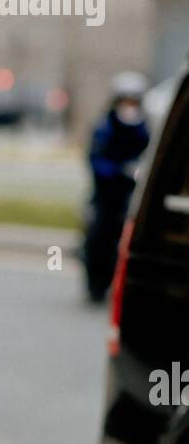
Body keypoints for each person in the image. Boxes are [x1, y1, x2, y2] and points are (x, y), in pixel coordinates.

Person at [82, 72, 150, 303]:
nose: (130, 107)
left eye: (134, 102)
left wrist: (135, 172)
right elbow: (95, 159)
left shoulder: (142, 128)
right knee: (99, 234)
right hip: (106, 193)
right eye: (126, 101)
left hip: (129, 194)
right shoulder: (106, 126)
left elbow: (149, 155)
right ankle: (94, 282)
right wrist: (116, 170)